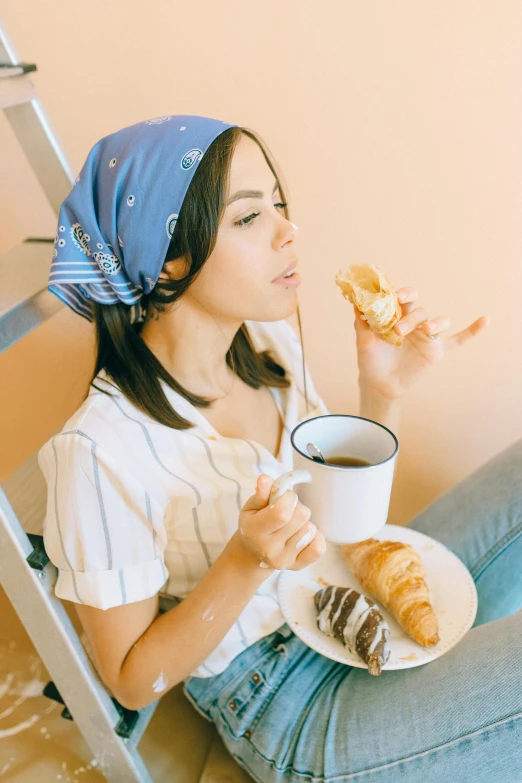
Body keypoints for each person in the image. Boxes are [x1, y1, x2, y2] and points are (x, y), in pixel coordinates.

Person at [38, 114, 522, 783]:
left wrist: (381, 393)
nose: (288, 230)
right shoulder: (100, 449)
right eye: (247, 218)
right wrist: (243, 560)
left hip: (354, 595)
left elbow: (344, 524)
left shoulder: (270, 349)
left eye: (279, 204)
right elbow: (130, 678)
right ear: (167, 257)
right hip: (291, 703)